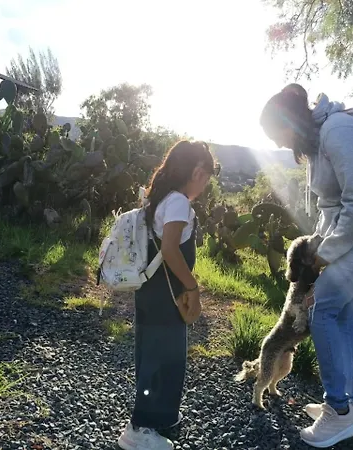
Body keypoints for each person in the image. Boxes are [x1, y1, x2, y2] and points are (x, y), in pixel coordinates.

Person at [259, 84, 353, 448]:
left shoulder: (339, 131)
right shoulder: (319, 142)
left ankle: (339, 412)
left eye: (277, 134)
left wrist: (325, 255)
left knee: (325, 306)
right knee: (342, 310)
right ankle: (349, 406)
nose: (278, 143)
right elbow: (331, 207)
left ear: (291, 122)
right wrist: (318, 243)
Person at [117, 140, 218, 450]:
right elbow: (171, 249)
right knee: (163, 358)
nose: (204, 186)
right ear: (197, 172)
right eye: (206, 178)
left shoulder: (160, 198)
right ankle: (141, 428)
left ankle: (156, 418)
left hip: (153, 290)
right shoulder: (178, 203)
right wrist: (193, 287)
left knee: (155, 354)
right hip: (167, 293)